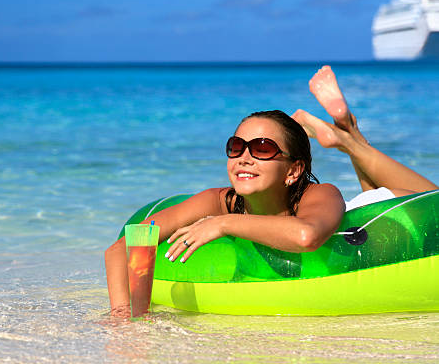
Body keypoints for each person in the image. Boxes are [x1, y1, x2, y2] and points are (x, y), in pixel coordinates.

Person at [105, 65, 438, 318]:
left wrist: (223, 225)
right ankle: (339, 134)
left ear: (293, 170)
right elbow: (122, 248)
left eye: (262, 148)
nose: (244, 157)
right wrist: (127, 318)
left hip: (381, 213)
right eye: (236, 147)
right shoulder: (217, 199)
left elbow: (307, 236)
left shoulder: (322, 195)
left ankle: (348, 136)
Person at [292, 65, 438, 209]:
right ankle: (348, 137)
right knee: (435, 203)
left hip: (369, 212)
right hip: (371, 211)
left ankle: (348, 135)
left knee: (376, 198)